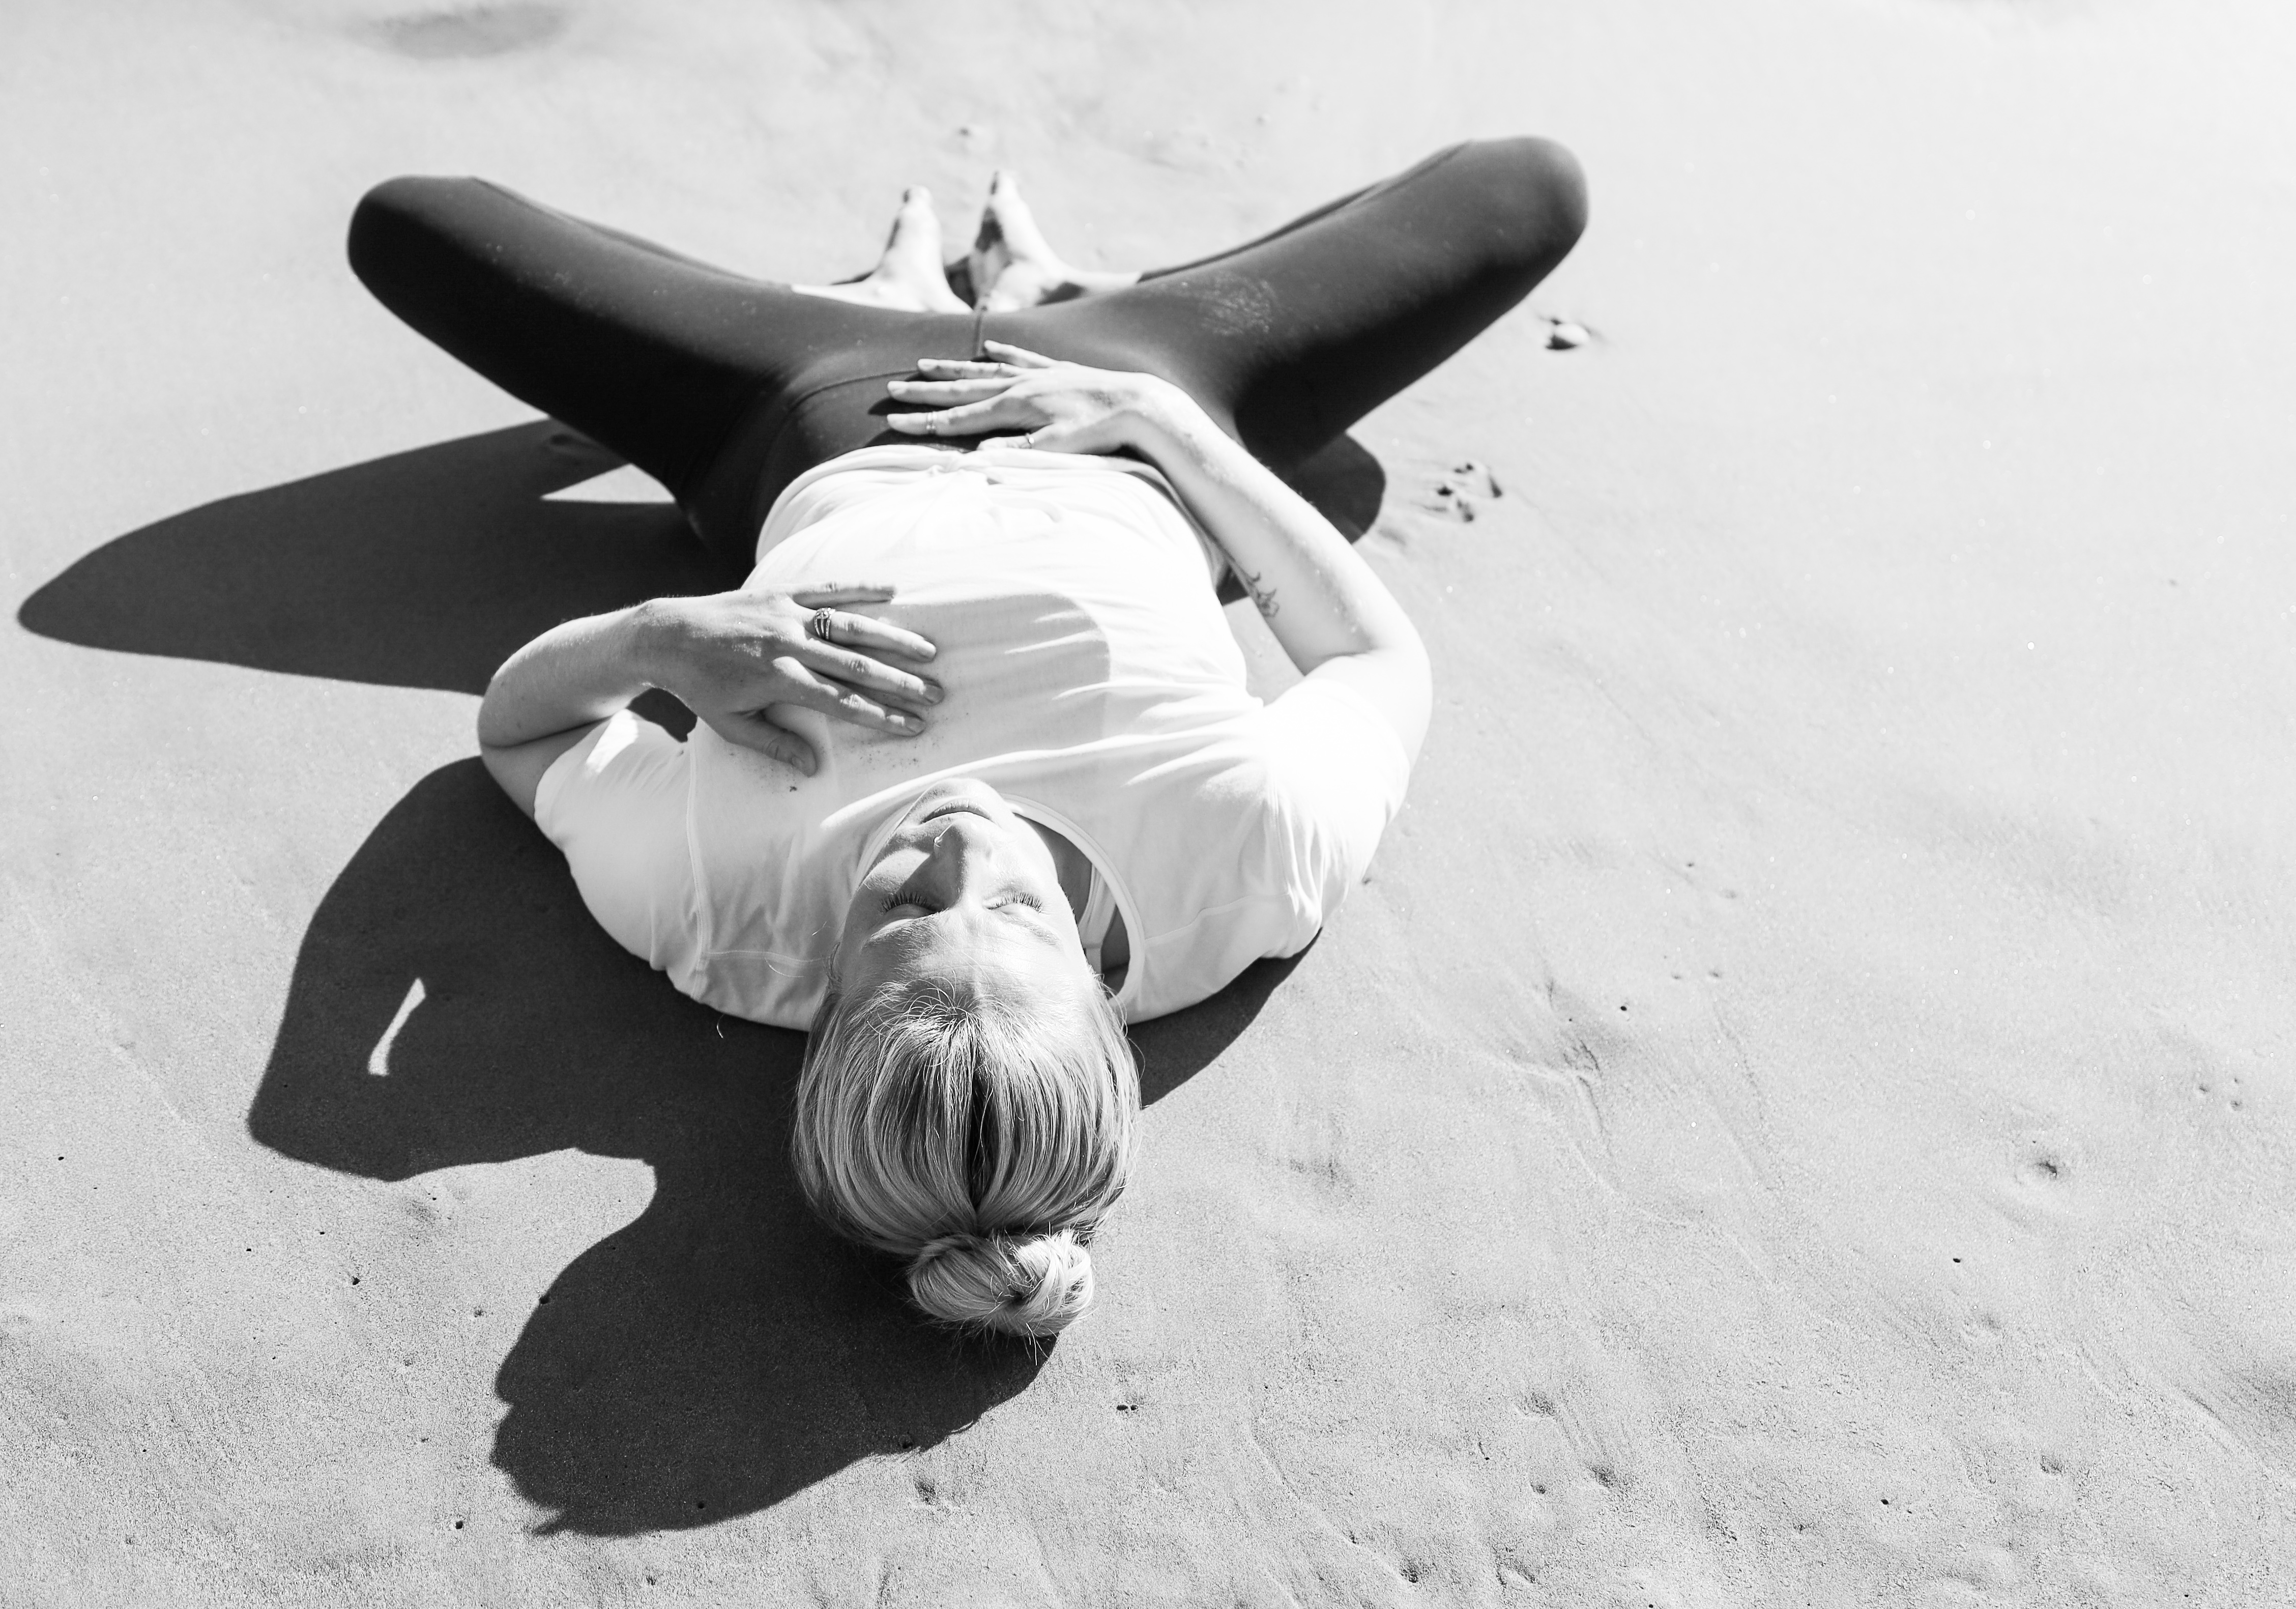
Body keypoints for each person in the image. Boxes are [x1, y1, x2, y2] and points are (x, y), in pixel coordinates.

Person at [346, 142, 1586, 1337]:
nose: (965, 842)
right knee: (1532, 186)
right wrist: (1166, 426)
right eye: (1024, 912)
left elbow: (521, 739)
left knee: (409, 223)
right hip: (1124, 392)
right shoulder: (1242, 865)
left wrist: (659, 638)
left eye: (903, 910)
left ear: (828, 1007)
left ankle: (884, 295)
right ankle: (1052, 287)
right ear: (1100, 994)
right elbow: (1375, 666)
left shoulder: (715, 910)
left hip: (810, 406)